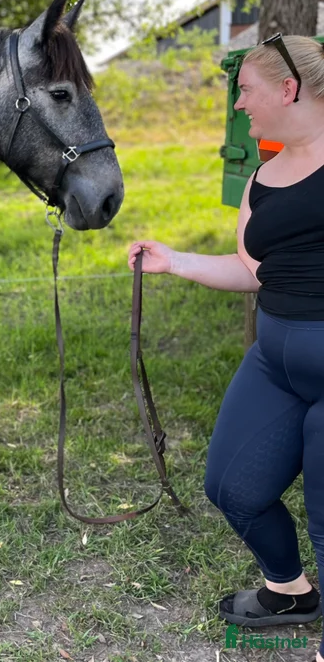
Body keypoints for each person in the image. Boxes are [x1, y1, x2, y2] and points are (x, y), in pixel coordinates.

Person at [129, 34, 324, 659]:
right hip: (276, 363)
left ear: (288, 89)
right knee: (233, 486)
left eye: (246, 91)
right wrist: (175, 261)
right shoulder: (264, 175)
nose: (238, 105)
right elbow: (252, 270)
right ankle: (289, 593)